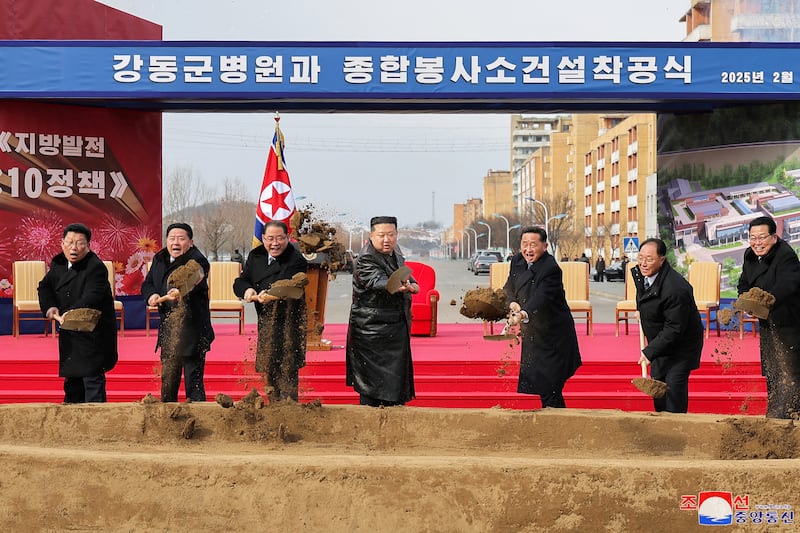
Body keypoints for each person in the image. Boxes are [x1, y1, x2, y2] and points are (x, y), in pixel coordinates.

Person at [37, 223, 118, 403]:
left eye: (80, 243)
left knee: (92, 380)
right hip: (70, 332)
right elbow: (45, 286)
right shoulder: (58, 263)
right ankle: (72, 425)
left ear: (88, 246)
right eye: (70, 242)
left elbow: (93, 296)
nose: (74, 247)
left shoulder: (95, 267)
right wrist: (50, 307)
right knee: (73, 381)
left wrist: (70, 313)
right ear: (62, 243)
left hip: (92, 332)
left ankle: (96, 425)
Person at [504, 226, 581, 408]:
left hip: (554, 336)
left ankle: (557, 426)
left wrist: (522, 313)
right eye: (524, 244)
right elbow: (509, 287)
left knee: (550, 386)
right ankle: (555, 423)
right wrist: (512, 303)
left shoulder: (551, 268)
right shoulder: (517, 261)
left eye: (533, 245)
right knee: (544, 387)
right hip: (535, 334)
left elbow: (542, 297)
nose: (528, 250)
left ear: (545, 246)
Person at [346, 216, 418, 407]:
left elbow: (407, 275)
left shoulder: (397, 252)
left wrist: (413, 286)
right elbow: (375, 281)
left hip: (395, 327)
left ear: (396, 234)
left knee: (396, 385)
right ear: (371, 235)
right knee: (372, 387)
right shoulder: (366, 257)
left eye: (391, 235)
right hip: (371, 330)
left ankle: (394, 425)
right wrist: (396, 286)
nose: (387, 239)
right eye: (381, 235)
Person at [233, 220, 308, 402]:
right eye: (270, 238)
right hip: (267, 319)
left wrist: (267, 294)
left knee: (288, 366)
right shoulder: (256, 255)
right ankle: (274, 406)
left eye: (280, 238)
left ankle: (289, 409)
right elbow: (242, 280)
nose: (275, 243)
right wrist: (248, 290)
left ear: (287, 238)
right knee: (270, 365)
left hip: (289, 320)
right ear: (263, 239)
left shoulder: (295, 258)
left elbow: (288, 287)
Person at [141, 222, 214, 402]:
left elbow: (194, 277)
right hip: (169, 329)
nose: (176, 243)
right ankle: (167, 416)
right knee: (169, 380)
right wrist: (152, 295)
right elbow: (148, 283)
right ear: (166, 241)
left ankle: (198, 418)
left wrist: (180, 289)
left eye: (181, 239)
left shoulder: (198, 260)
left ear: (190, 242)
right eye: (172, 239)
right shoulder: (160, 259)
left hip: (192, 329)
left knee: (193, 380)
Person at [737, 216, 800, 419]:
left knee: (790, 372)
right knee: (772, 370)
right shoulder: (749, 254)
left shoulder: (786, 256)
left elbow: (788, 286)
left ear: (774, 237)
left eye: (762, 237)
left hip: (790, 323)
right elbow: (743, 282)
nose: (757, 243)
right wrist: (746, 300)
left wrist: (765, 301)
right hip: (767, 323)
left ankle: (791, 416)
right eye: (752, 238)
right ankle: (774, 414)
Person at [632, 238, 703, 413]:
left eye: (649, 259)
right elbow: (643, 295)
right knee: (659, 393)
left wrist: (649, 352)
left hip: (681, 348)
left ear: (662, 260)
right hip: (662, 346)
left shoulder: (675, 289)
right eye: (640, 258)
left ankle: (677, 432)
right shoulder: (643, 275)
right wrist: (639, 310)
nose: (643, 263)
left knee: (672, 393)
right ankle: (662, 432)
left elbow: (674, 328)